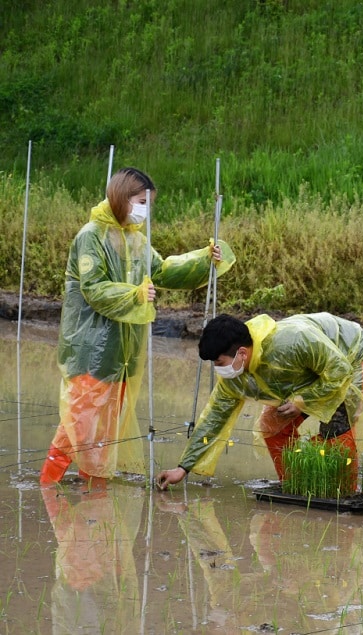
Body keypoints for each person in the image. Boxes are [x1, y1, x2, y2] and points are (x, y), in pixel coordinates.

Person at [40, 167, 235, 488]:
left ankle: (93, 485)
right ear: (121, 198)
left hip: (121, 353)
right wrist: (134, 294)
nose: (146, 208)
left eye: (149, 202)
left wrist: (204, 259)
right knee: (79, 421)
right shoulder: (90, 236)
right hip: (89, 349)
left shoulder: (135, 240)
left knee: (105, 426)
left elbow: (163, 270)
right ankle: (47, 485)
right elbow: (95, 288)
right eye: (141, 200)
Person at [156, 312, 363, 488]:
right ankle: (294, 484)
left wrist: (302, 400)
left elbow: (339, 371)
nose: (218, 370)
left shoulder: (293, 342)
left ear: (242, 353)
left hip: (351, 358)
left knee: (336, 427)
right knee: (272, 424)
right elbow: (214, 419)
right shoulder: (235, 376)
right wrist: (183, 467)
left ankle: (342, 491)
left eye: (219, 363)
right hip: (309, 372)